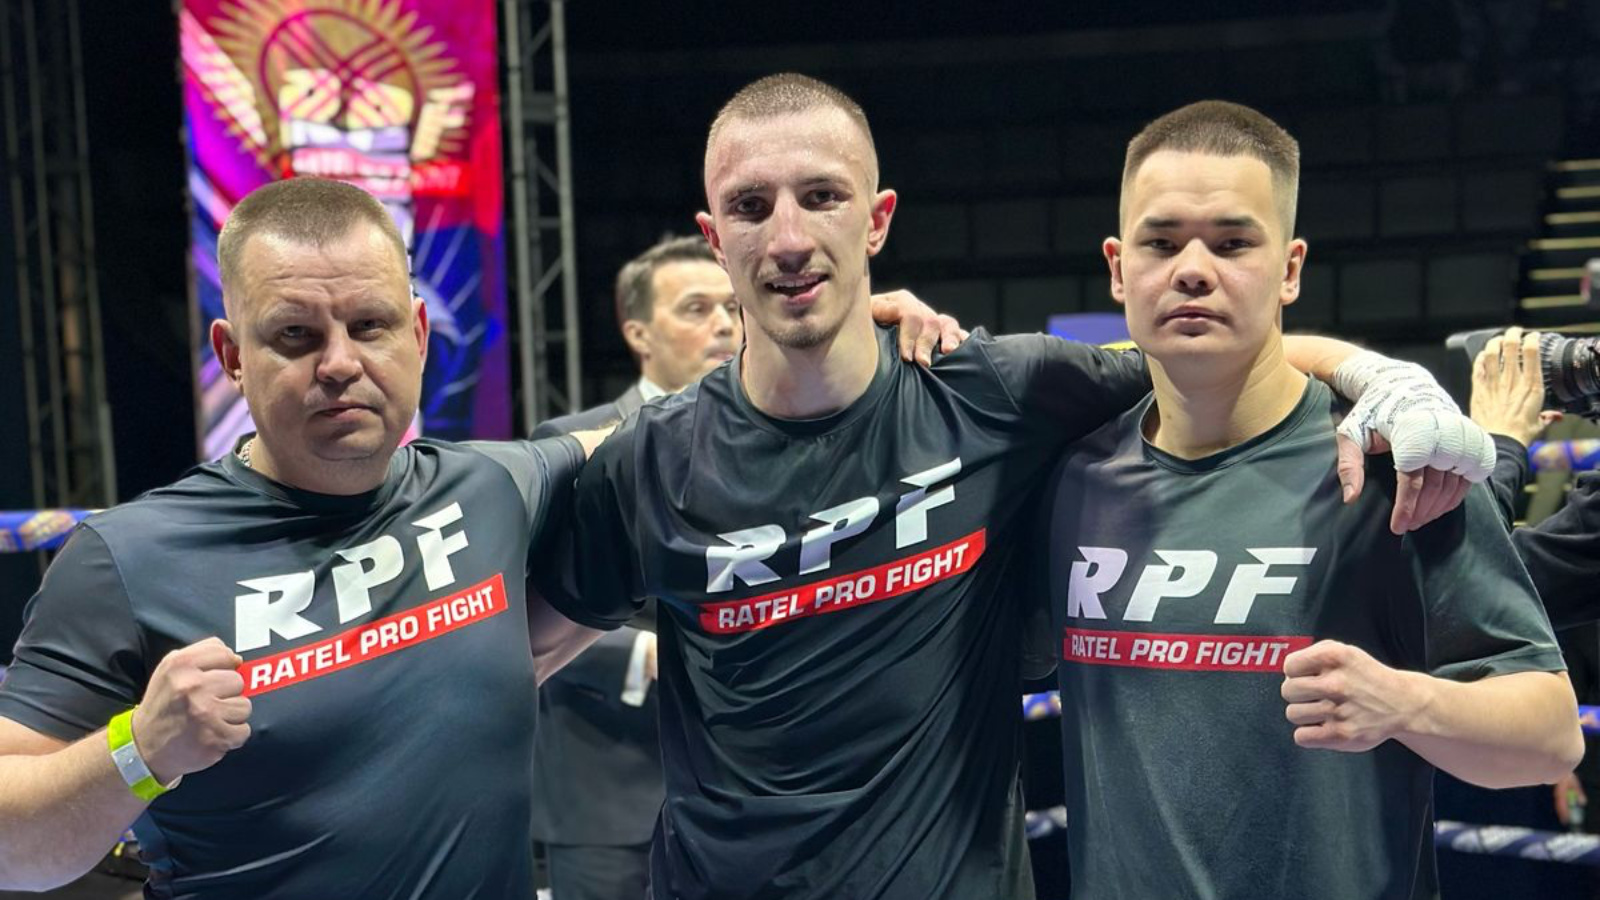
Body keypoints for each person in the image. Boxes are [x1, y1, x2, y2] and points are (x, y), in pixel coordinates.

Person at [544, 73, 1497, 900]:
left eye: (822, 196)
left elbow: (1212, 351)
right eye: (752, 207)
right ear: (715, 236)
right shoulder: (650, 460)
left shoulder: (995, 392)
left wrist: (1381, 375)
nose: (789, 237)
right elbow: (516, 653)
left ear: (876, 218)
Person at [0, 177, 610, 897]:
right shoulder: (129, 560)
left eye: (370, 325)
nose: (340, 364)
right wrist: (140, 748)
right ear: (232, 356)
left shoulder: (493, 486)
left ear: (418, 336)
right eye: (296, 334)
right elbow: (11, 851)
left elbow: (659, 440)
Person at [1035, 100, 1580, 900]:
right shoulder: (1068, 476)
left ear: (1289, 269)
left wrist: (1406, 704)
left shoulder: (1399, 467)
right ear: (1118, 268)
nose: (1193, 269)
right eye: (1162, 242)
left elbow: (1552, 737)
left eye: (1232, 243)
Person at [528, 235, 738, 900]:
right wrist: (645, 654)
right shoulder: (571, 445)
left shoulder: (768, 443)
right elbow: (524, 608)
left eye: (732, 307)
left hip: (739, 796)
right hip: (609, 794)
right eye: (697, 308)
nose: (724, 325)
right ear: (638, 333)